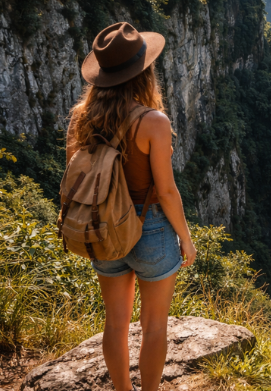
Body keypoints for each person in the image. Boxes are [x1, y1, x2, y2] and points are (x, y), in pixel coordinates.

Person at [66, 22, 197, 391]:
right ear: (144, 72)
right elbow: (167, 191)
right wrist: (186, 239)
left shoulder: (82, 117)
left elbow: (78, 176)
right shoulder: (153, 121)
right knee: (155, 325)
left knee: (116, 322)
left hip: (104, 226)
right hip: (150, 227)